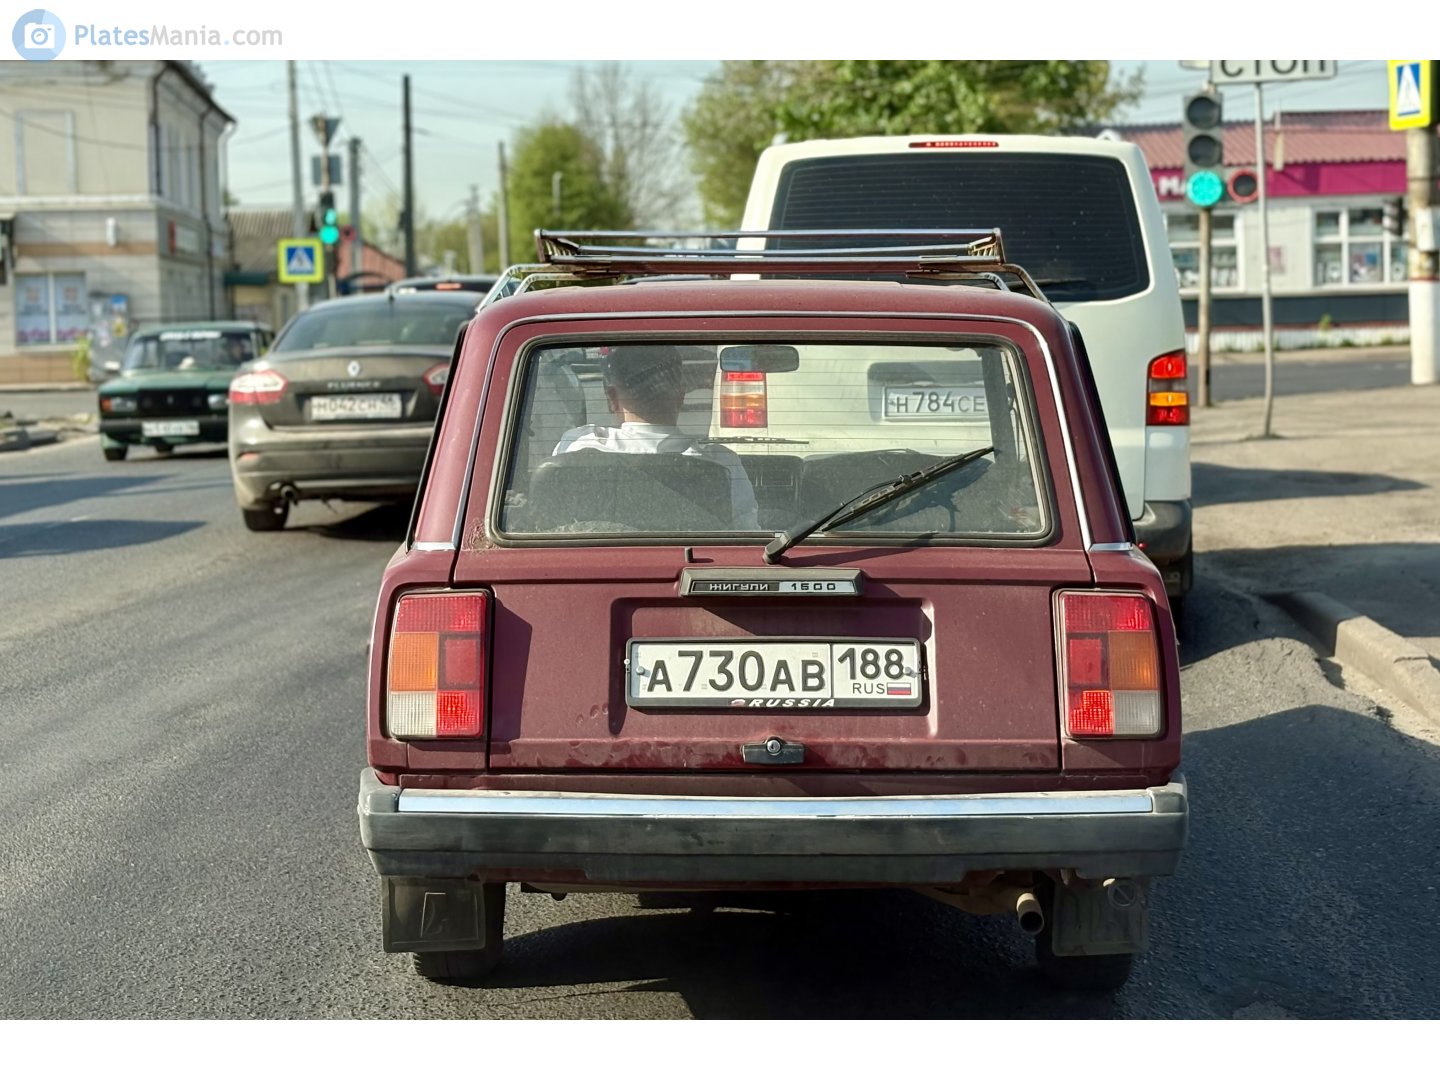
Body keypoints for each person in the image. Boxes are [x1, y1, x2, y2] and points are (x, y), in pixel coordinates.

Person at [553, 344, 761, 530]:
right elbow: (745, 539)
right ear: (680, 397)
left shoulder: (576, 449)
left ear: (612, 399)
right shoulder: (722, 464)